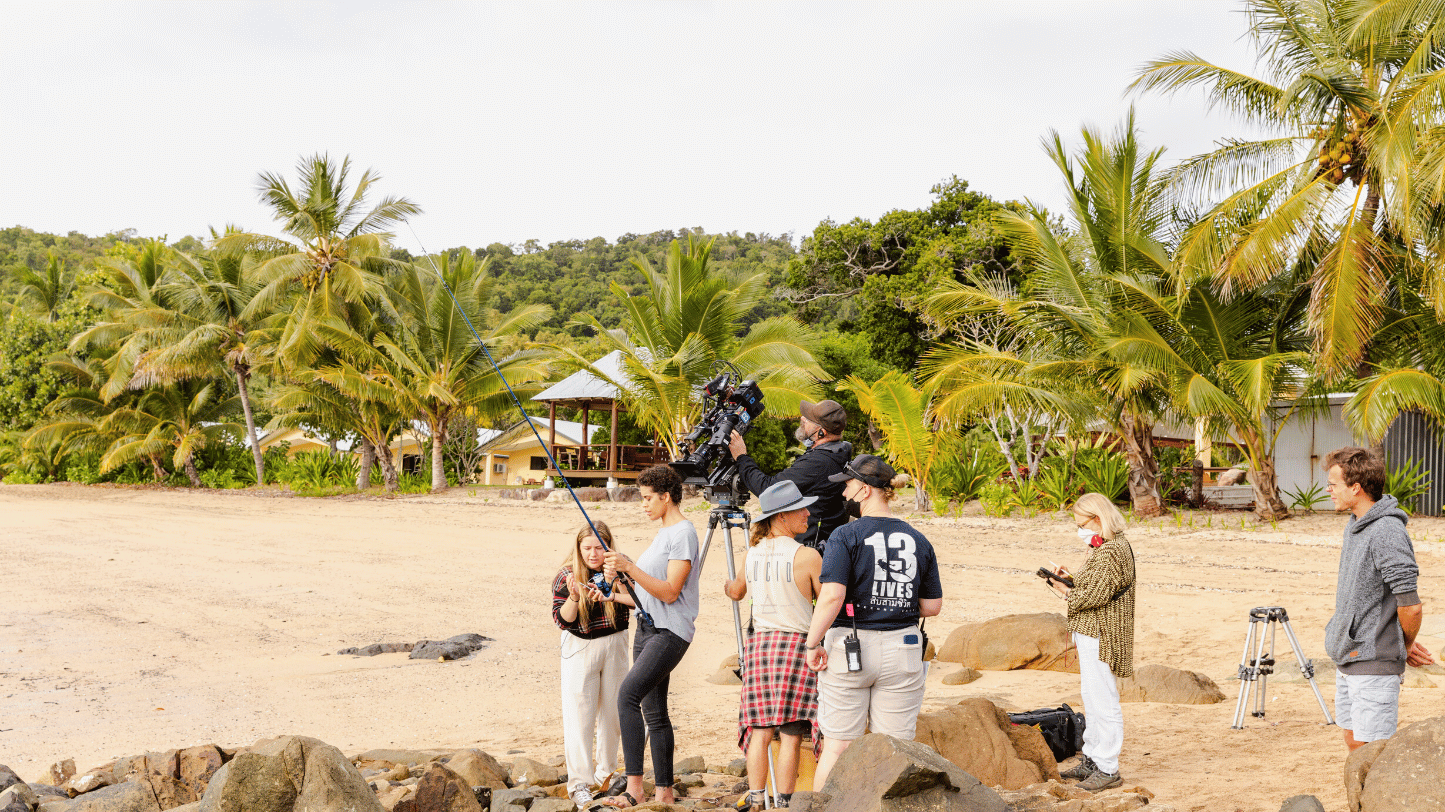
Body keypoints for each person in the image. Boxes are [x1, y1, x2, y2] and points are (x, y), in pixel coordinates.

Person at [802, 454, 942, 789]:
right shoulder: (918, 539)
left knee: (837, 747)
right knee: (895, 750)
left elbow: (832, 597)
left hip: (850, 647)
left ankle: (824, 809)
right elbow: (932, 606)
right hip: (903, 647)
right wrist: (895, 602)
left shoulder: (845, 535)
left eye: (848, 486)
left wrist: (812, 643)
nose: (844, 493)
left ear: (864, 490)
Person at [1322, 447, 1437, 752]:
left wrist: (1404, 645)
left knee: (1371, 748)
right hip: (1348, 655)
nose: (1329, 490)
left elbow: (1411, 605)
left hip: (1373, 662)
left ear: (1356, 487)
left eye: (1333, 484)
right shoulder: (1355, 524)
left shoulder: (1387, 530)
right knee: (1352, 738)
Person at [601, 464, 702, 809]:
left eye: (647, 498)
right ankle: (664, 793)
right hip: (647, 627)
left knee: (627, 695)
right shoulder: (663, 533)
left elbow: (671, 592)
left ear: (666, 497)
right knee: (655, 714)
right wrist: (617, 590)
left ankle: (634, 789)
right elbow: (647, 595)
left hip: (670, 632)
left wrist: (630, 567)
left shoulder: (683, 533)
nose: (643, 504)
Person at [723, 481, 824, 811]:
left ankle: (756, 799)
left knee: (760, 730)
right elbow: (826, 601)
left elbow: (736, 592)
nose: (807, 513)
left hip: (760, 646)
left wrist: (727, 585)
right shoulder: (807, 556)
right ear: (781, 516)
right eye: (800, 508)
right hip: (796, 646)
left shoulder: (752, 553)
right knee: (792, 734)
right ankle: (783, 803)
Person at [1048, 492, 1135, 792]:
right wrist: (1070, 580)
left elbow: (1095, 596)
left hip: (1102, 633)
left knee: (1103, 700)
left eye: (1081, 524)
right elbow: (1098, 587)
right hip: (1094, 631)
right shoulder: (1108, 546)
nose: (1079, 530)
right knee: (1092, 696)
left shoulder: (1112, 550)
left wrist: (1065, 591)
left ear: (1097, 519)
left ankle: (1107, 768)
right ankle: (1094, 760)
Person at [552, 521, 633, 805]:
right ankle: (579, 783)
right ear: (579, 548)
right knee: (580, 716)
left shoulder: (622, 566)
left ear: (608, 546)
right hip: (580, 645)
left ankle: (606, 773)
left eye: (599, 548)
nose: (593, 554)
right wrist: (575, 597)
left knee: (613, 713)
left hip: (616, 642)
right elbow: (562, 619)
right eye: (587, 548)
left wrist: (618, 580)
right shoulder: (566, 574)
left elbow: (640, 601)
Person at [728, 399, 852, 552]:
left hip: (808, 551)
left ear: (822, 432)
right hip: (823, 545)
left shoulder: (819, 462)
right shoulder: (839, 452)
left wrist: (741, 457)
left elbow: (768, 490)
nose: (803, 419)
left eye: (809, 419)